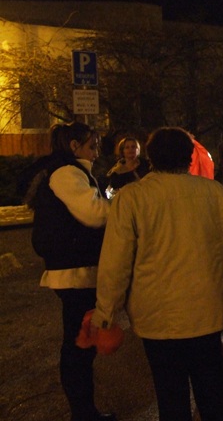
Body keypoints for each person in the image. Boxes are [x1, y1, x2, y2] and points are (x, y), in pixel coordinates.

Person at [92, 127, 223, 421]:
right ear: (189, 157)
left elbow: (115, 263)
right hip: (206, 311)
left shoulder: (132, 197)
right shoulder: (213, 192)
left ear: (151, 157)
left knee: (171, 395)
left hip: (156, 318)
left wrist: (106, 313)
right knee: (215, 393)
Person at [26, 121, 112, 421]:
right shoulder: (66, 173)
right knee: (79, 345)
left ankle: (85, 410)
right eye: (92, 145)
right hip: (75, 273)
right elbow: (94, 214)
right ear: (74, 146)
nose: (96, 151)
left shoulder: (71, 171)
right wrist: (123, 206)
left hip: (77, 271)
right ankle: (83, 413)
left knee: (81, 342)